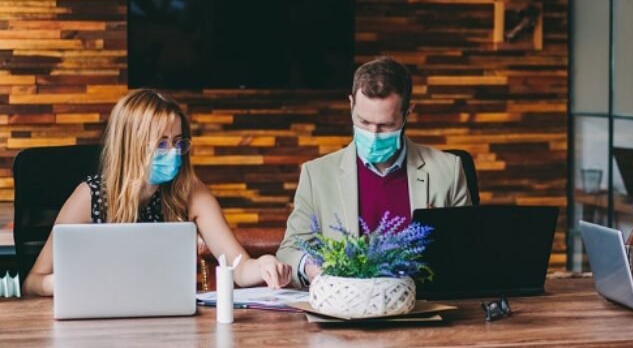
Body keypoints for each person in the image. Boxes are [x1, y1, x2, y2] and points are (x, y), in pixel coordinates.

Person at [24, 89, 291, 296]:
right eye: (161, 144)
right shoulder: (90, 196)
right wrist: (66, 284)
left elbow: (239, 268)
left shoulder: (190, 191)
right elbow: (33, 282)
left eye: (178, 142)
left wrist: (263, 264)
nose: (173, 153)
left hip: (171, 323)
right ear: (131, 145)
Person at [277, 57, 471, 287]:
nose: (374, 133)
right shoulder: (316, 175)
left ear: (408, 112)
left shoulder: (448, 170)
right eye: (364, 121)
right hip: (347, 310)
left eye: (386, 125)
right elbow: (289, 250)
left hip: (425, 307)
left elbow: (468, 252)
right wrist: (309, 266)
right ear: (351, 105)